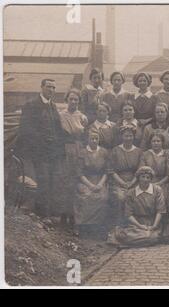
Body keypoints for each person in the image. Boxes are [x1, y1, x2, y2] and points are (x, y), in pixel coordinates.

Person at [15, 79, 67, 217]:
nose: (51, 90)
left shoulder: (53, 106)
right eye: (49, 86)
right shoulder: (31, 105)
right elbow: (26, 130)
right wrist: (41, 141)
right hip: (38, 152)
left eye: (54, 87)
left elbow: (58, 129)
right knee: (42, 180)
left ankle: (46, 212)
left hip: (52, 152)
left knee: (51, 181)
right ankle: (43, 214)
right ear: (42, 87)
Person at [107, 166, 166, 247]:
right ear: (138, 178)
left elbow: (160, 210)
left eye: (148, 177)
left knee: (153, 237)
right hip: (136, 223)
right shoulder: (131, 193)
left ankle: (132, 241)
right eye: (143, 177)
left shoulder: (157, 190)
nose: (145, 180)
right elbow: (129, 214)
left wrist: (154, 225)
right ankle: (119, 235)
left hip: (152, 222)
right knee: (146, 236)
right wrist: (139, 225)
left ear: (151, 179)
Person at [59, 89, 88, 227]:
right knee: (65, 182)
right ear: (67, 100)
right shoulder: (61, 115)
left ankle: (75, 216)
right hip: (65, 149)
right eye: (71, 99)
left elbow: (84, 135)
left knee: (77, 180)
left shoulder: (82, 117)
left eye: (76, 99)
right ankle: (64, 213)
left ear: (79, 101)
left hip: (78, 149)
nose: (73, 102)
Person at [73, 131, 109, 239]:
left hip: (100, 180)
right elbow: (79, 173)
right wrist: (90, 185)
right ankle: (82, 226)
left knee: (102, 197)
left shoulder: (104, 152)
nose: (94, 141)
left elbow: (106, 172)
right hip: (85, 180)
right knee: (86, 197)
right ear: (88, 140)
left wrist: (100, 184)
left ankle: (97, 227)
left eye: (96, 138)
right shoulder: (82, 152)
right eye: (92, 138)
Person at [108, 126, 143, 228]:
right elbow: (111, 170)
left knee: (137, 197)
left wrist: (132, 182)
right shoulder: (115, 150)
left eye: (130, 136)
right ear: (122, 136)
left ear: (133, 137)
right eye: (126, 136)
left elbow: (140, 170)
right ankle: (119, 224)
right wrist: (122, 183)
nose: (128, 138)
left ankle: (134, 224)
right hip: (118, 180)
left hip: (135, 180)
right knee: (121, 197)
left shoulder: (139, 151)